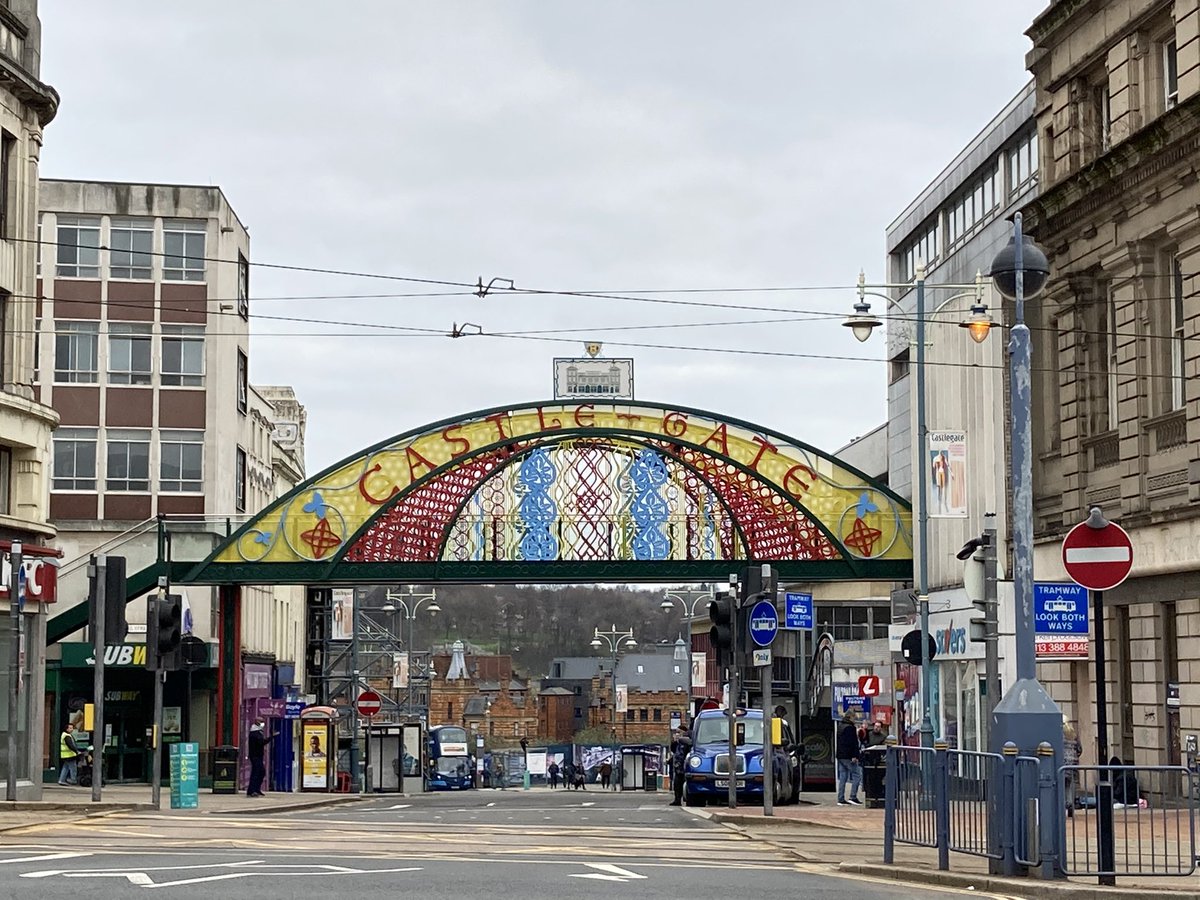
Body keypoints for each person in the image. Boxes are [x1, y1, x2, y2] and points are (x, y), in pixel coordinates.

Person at [835, 713, 863, 806]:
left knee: (843, 776)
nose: (855, 719)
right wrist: (855, 755)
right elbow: (852, 743)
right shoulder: (850, 728)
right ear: (850, 718)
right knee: (857, 774)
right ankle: (853, 797)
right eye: (854, 717)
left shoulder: (840, 727)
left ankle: (840, 799)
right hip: (848, 756)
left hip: (840, 755)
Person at [247, 719, 271, 798]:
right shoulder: (254, 732)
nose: (263, 723)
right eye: (261, 722)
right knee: (257, 772)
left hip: (258, 755)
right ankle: (252, 790)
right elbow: (261, 742)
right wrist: (270, 738)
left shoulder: (258, 731)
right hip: (255, 756)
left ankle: (255, 789)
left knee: (260, 772)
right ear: (257, 722)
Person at [669, 724, 692, 806]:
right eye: (676, 732)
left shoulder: (688, 740)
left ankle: (688, 799)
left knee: (686, 784)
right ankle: (677, 800)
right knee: (677, 784)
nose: (677, 734)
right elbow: (674, 750)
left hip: (685, 766)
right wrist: (674, 741)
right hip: (678, 767)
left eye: (679, 732)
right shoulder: (678, 742)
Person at [1063, 721, 1081, 816]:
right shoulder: (1073, 734)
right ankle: (1070, 804)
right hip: (1073, 764)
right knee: (1070, 785)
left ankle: (1064, 804)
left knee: (1062, 785)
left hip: (1062, 763)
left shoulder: (1059, 733)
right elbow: (1079, 749)